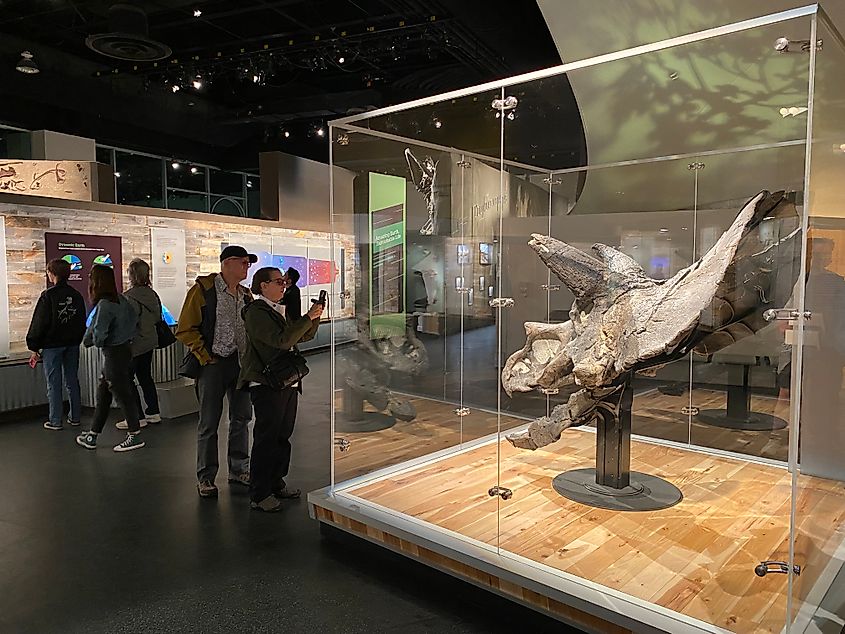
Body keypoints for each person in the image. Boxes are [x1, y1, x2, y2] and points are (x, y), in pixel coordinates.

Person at [239, 267, 322, 512]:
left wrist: (313, 318)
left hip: (285, 381)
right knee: (267, 438)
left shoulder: (276, 310)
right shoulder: (256, 312)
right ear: (263, 285)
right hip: (267, 383)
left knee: (282, 435)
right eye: (278, 281)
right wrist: (307, 318)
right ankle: (259, 492)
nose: (283, 285)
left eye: (284, 281)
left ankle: (276, 481)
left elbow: (300, 337)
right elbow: (283, 340)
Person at [176, 245, 256, 498]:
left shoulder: (246, 295)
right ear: (227, 263)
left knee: (241, 418)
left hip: (241, 365)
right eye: (243, 262)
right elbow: (185, 328)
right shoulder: (203, 291)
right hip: (213, 364)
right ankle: (206, 476)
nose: (246, 267)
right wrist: (204, 355)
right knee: (209, 421)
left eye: (248, 263)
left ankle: (239, 468)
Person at [75, 264, 145, 452]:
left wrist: (92, 341)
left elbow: (98, 334)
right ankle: (93, 434)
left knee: (122, 395)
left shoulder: (105, 305)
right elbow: (133, 324)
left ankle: (135, 435)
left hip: (113, 355)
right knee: (104, 395)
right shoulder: (123, 300)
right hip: (124, 351)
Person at [26, 258, 86, 430]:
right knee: (72, 380)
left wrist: (34, 347)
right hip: (72, 345)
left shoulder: (48, 296)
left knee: (54, 383)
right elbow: (82, 321)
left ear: (52, 274)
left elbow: (39, 323)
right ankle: (75, 417)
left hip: (52, 346)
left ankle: (55, 420)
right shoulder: (76, 295)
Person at [117, 258, 163, 431]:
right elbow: (158, 317)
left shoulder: (129, 297)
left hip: (135, 344)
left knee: (127, 380)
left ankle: (136, 416)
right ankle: (153, 412)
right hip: (150, 341)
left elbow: (128, 322)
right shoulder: (152, 294)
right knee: (145, 376)